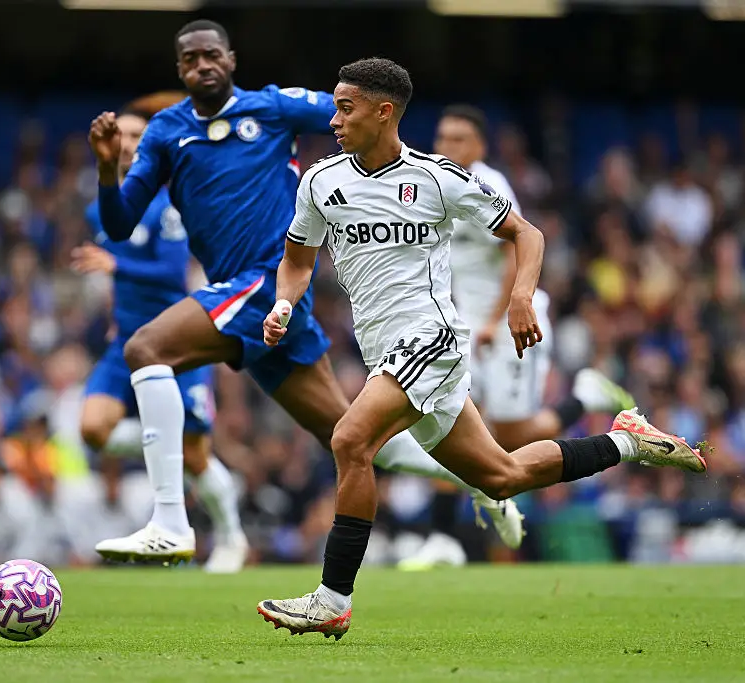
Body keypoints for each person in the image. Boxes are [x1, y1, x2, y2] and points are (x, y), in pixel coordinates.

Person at [256, 57, 707, 640]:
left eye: (346, 107)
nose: (334, 119)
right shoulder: (321, 181)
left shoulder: (438, 178)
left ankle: (332, 599)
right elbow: (297, 260)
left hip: (431, 341)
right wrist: (284, 304)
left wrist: (521, 297)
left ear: (384, 111)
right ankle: (627, 440)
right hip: (384, 352)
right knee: (501, 475)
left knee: (350, 439)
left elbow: (527, 232)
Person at [88, 20, 524, 563]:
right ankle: (480, 483)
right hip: (252, 300)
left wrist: (412, 172)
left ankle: (171, 522)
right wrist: (109, 170)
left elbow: (361, 115)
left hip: (268, 282)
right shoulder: (164, 133)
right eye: (190, 59)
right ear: (179, 69)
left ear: (231, 58)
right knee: (354, 439)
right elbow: (120, 222)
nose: (202, 65)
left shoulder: (272, 108)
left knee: (144, 349)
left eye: (211, 55)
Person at [398, 106, 637, 571]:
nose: (449, 147)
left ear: (481, 147)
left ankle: (582, 399)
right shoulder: (432, 183)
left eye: (460, 139)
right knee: (443, 418)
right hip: (465, 330)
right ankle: (445, 537)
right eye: (444, 137)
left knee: (506, 436)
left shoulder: (490, 186)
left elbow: (516, 248)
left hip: (510, 322)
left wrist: (491, 320)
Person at [73, 100, 248, 573]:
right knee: (92, 430)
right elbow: (120, 276)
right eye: (122, 136)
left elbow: (172, 275)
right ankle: (164, 442)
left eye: (137, 137)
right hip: (125, 340)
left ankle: (231, 536)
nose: (128, 144)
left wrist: (117, 265)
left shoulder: (167, 206)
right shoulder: (101, 208)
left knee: (196, 457)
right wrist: (115, 302)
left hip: (175, 345)